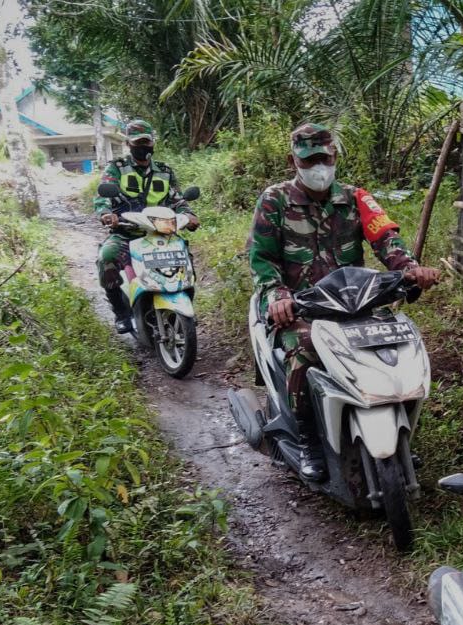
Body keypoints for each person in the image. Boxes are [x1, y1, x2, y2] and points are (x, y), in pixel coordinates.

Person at [247, 122, 440, 470]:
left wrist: (410, 268)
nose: (317, 167)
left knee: (397, 345)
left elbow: (386, 240)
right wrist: (277, 295)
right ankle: (308, 441)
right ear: (294, 162)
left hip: (357, 302)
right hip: (302, 307)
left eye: (324, 158)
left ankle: (400, 431)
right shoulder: (275, 200)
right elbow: (262, 258)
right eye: (308, 161)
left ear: (335, 156)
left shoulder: (356, 197)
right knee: (304, 353)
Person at [94, 120, 199, 333]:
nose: (143, 147)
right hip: (126, 233)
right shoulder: (117, 168)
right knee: (107, 258)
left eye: (146, 142)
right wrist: (107, 213)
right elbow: (102, 197)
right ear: (129, 144)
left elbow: (177, 200)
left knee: (185, 262)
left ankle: (184, 310)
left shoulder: (165, 171)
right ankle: (121, 313)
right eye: (137, 142)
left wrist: (188, 215)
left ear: (153, 143)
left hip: (161, 234)